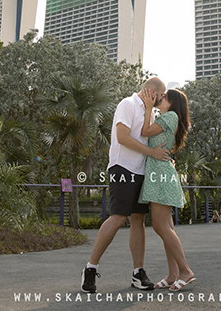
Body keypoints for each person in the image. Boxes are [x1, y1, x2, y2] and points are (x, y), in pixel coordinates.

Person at [81, 77, 170, 294]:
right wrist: (152, 153)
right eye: (160, 95)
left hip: (141, 171)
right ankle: (90, 268)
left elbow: (149, 135)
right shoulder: (127, 104)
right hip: (122, 169)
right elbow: (122, 137)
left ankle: (138, 273)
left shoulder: (149, 111)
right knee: (118, 217)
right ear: (151, 91)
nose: (161, 100)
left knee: (138, 220)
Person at [137, 88, 197, 293]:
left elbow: (144, 132)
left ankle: (185, 271)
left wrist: (147, 108)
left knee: (160, 226)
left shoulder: (170, 116)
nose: (158, 100)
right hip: (159, 173)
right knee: (166, 228)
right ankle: (173, 275)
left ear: (171, 103)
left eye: (162, 98)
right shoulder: (169, 117)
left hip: (161, 175)